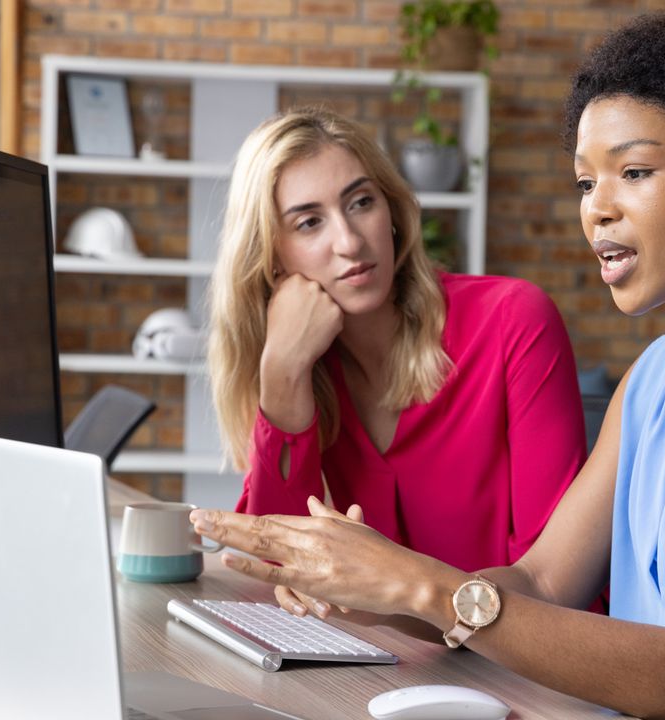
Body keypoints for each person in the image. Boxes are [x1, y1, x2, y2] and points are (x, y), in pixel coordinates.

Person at [193, 9, 665, 718]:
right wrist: (373, 584)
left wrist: (417, 585)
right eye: (584, 182)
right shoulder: (656, 379)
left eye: (632, 171)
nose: (596, 209)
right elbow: (541, 579)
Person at [207, 108, 588, 586]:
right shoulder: (308, 373)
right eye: (308, 223)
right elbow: (280, 572)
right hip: (380, 661)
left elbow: (554, 584)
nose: (349, 241)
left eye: (361, 202)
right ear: (271, 259)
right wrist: (283, 373)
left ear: (391, 212)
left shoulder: (513, 321)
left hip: (512, 658)